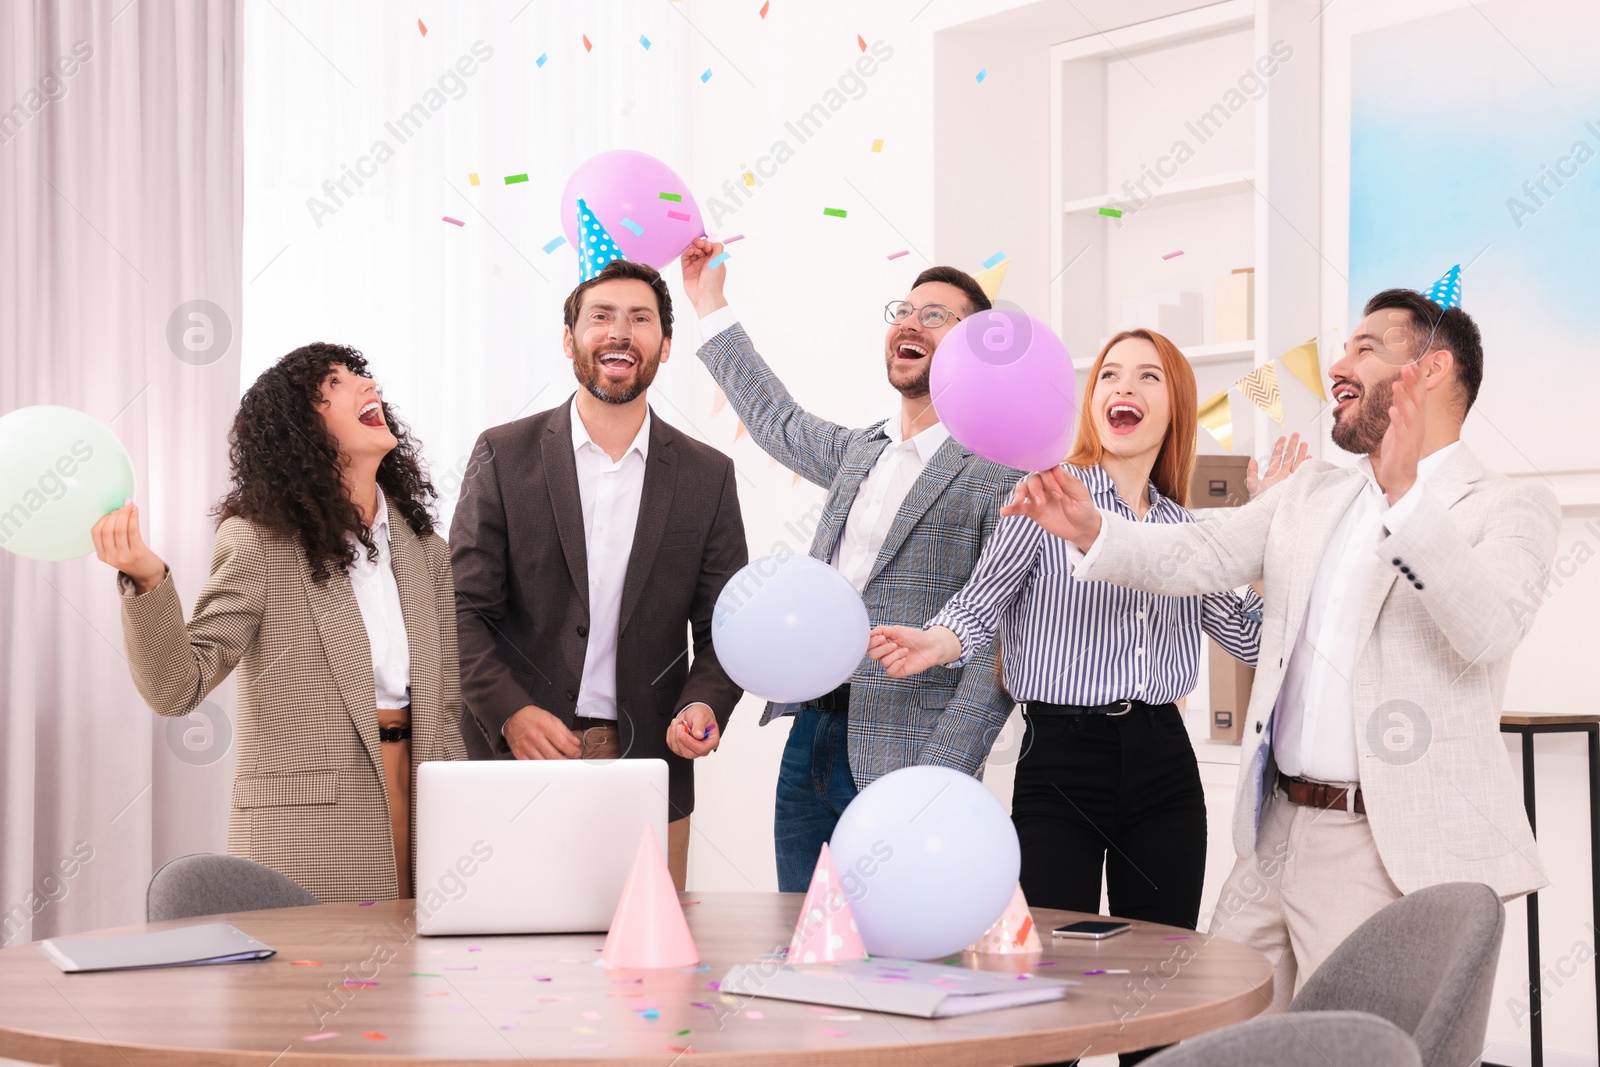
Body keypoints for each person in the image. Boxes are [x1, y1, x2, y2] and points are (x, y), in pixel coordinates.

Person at [1001, 289, 1560, 1010]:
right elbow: (1199, 551)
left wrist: (1407, 500)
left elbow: (1487, 628)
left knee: (1352, 1049)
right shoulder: (1312, 493)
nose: (1337, 364)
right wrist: (1091, 531)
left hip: (1380, 848)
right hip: (1273, 835)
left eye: (1364, 348)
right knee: (1211, 1033)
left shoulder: (1509, 507)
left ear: (1430, 369)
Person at [868, 329, 1275, 1067]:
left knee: (1161, 990)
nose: (1125, 387)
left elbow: (1250, 641)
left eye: (1149, 376)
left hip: (1163, 767)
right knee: (1047, 985)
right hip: (1061, 763)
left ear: (1174, 404)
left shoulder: (1190, 532)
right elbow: (980, 603)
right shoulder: (1046, 494)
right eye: (1110, 374)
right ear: (1091, 403)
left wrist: (1275, 533)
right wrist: (935, 640)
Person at [680, 237, 1016, 891]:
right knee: (805, 939)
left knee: (903, 949)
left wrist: (941, 775)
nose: (910, 323)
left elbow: (998, 647)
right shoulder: (862, 453)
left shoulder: (997, 474)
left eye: (936, 315)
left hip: (909, 753)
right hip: (812, 731)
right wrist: (710, 303)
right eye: (904, 310)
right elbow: (776, 420)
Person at [93, 343, 465, 902]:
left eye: (362, 376)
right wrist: (146, 579)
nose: (367, 386)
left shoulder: (426, 551)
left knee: (419, 985)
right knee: (321, 987)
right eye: (336, 385)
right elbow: (176, 687)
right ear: (300, 432)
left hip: (430, 812)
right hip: (308, 830)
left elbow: (450, 704)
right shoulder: (258, 541)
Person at [449, 259, 746, 892]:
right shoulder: (503, 454)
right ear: (570, 340)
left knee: (651, 961)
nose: (620, 333)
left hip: (650, 760)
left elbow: (728, 625)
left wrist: (703, 703)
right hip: (516, 752)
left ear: (665, 346)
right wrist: (509, 713)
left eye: (640, 320)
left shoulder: (707, 474)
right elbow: (462, 611)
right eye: (601, 317)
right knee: (514, 962)